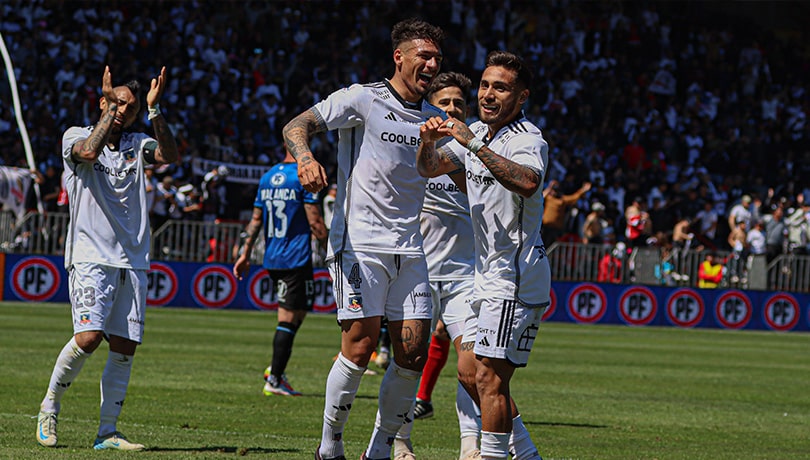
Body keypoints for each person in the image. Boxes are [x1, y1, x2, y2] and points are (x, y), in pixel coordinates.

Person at [282, 18, 445, 460]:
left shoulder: (435, 120)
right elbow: (296, 125)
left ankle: (377, 451)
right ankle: (329, 446)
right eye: (423, 56)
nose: (431, 64)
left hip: (411, 249)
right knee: (361, 345)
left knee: (412, 353)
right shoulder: (363, 98)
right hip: (360, 243)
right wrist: (304, 158)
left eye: (436, 58)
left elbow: (439, 170)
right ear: (400, 56)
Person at [36, 65, 178, 451]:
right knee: (88, 337)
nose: (121, 111)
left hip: (132, 259)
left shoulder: (136, 143)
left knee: (125, 346)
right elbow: (88, 152)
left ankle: (107, 432)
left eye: (128, 107)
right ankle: (50, 406)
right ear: (102, 102)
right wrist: (107, 113)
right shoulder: (76, 136)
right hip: (89, 255)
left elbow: (169, 154)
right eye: (116, 102)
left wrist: (154, 110)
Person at [416, 50, 548, 460]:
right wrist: (427, 142)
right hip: (486, 275)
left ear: (521, 96)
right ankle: (526, 454)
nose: (489, 95)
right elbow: (430, 168)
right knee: (471, 372)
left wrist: (470, 141)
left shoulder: (528, 138)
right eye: (486, 85)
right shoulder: (478, 132)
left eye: (501, 88)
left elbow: (527, 181)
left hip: (515, 277)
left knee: (488, 377)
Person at [393, 72, 482, 460]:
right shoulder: (412, 142)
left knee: (473, 364)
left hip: (465, 273)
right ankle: (399, 441)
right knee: (407, 361)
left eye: (458, 104)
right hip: (418, 269)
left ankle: (470, 447)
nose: (451, 109)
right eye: (443, 103)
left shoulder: (477, 148)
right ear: (430, 106)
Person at [233, 149, 327, 397]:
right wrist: (333, 254)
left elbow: (256, 220)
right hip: (294, 258)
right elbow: (316, 223)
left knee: (300, 311)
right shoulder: (303, 175)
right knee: (287, 318)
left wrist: (245, 253)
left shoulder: (268, 177)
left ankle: (277, 367)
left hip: (273, 256)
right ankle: (274, 378)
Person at [541, 179, 591, 246]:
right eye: (553, 190)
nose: (554, 192)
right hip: (545, 227)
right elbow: (542, 196)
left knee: (551, 246)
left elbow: (573, 198)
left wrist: (583, 190)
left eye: (556, 190)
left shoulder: (562, 200)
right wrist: (549, 187)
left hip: (556, 228)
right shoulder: (549, 198)